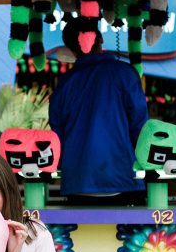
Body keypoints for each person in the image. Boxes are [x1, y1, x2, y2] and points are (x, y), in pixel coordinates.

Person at [48, 17, 149, 204]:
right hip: (124, 180)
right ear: (100, 38)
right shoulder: (125, 74)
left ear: (70, 48)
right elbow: (141, 128)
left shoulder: (65, 84)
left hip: (78, 184)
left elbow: (56, 135)